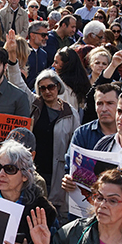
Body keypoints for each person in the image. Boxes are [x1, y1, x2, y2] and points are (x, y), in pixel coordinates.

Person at [28, 70, 79, 220]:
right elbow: (19, 83)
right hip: (34, 169)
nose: (47, 91)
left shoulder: (70, 113)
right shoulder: (34, 106)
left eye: (51, 86)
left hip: (57, 172)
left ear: (58, 87)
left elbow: (76, 146)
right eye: (42, 88)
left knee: (54, 213)